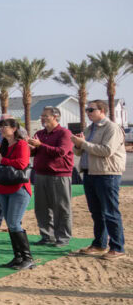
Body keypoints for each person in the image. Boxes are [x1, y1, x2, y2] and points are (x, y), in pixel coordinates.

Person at [73, 100, 126, 260]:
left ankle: (117, 247)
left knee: (110, 211)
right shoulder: (90, 129)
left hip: (107, 173)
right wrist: (78, 145)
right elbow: (79, 152)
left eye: (91, 110)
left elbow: (107, 151)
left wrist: (83, 144)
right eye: (87, 110)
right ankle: (99, 244)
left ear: (102, 110)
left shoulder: (112, 128)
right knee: (96, 212)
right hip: (90, 173)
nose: (88, 112)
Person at [0, 118, 33, 270]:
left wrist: (1, 159)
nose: (1, 128)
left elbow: (22, 164)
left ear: (14, 129)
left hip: (19, 187)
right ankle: (18, 257)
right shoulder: (5, 145)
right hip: (4, 188)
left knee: (14, 223)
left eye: (5, 126)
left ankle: (27, 258)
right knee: (11, 224)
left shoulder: (22, 144)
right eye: (0, 126)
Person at [28, 106, 74, 248]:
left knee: (61, 208)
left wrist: (40, 145)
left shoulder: (64, 133)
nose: (42, 118)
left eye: (45, 116)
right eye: (42, 116)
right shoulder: (40, 133)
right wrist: (31, 148)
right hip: (40, 174)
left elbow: (61, 152)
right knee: (42, 208)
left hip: (59, 175)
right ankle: (47, 236)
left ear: (55, 117)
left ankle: (63, 238)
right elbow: (35, 152)